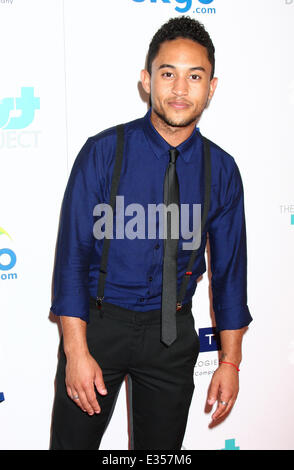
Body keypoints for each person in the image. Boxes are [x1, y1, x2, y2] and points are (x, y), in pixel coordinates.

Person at [49, 16, 252, 450]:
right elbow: (72, 257)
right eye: (168, 74)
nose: (180, 89)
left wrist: (230, 362)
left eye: (194, 76)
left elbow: (231, 275)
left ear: (211, 87)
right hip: (98, 329)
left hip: (172, 336)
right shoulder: (103, 153)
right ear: (147, 81)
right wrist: (76, 351)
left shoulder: (222, 170)